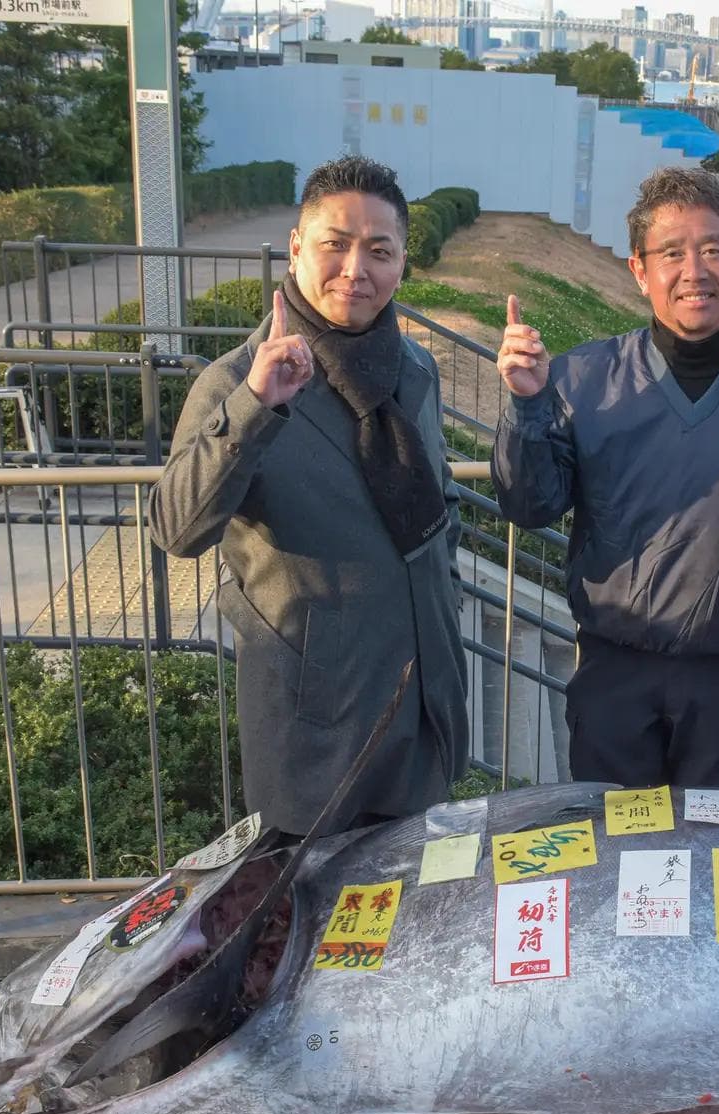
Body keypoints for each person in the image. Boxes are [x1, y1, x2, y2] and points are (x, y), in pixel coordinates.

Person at [490, 166, 719, 789]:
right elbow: (530, 505)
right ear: (639, 270)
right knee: (616, 854)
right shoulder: (582, 380)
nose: (695, 271)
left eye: (713, 250)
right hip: (614, 672)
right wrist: (526, 407)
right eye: (672, 253)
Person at [151, 156, 467, 837]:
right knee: (310, 921)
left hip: (422, 704)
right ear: (296, 247)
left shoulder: (414, 370)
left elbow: (440, 502)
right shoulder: (236, 380)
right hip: (315, 720)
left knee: (416, 914)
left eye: (379, 251)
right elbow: (175, 528)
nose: (356, 269)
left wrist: (449, 595)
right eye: (335, 244)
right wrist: (256, 406)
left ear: (402, 263)